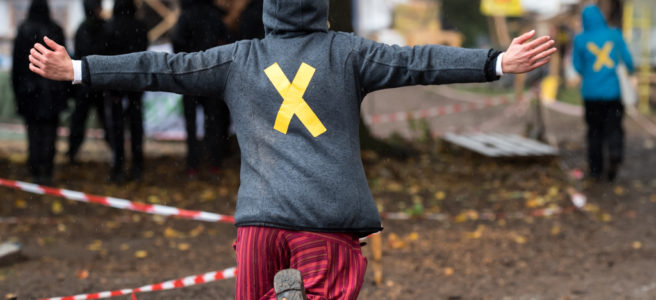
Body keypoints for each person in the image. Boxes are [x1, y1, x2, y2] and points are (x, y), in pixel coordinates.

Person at [27, 0, 556, 298]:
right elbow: (417, 61)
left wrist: (77, 68)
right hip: (328, 225)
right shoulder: (348, 52)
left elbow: (161, 67)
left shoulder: (238, 58)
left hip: (259, 226)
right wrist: (495, 62)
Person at [573, 4, 634, 181]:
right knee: (614, 129)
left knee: (594, 132)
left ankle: (595, 170)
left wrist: (591, 74)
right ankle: (615, 154)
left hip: (590, 95)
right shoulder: (614, 34)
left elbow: (577, 67)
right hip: (613, 94)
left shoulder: (580, 39)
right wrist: (629, 73)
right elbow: (628, 61)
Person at [172, 0, 232, 178]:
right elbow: (227, 40)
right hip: (210, 77)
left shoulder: (185, 17)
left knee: (191, 126)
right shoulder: (214, 16)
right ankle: (215, 164)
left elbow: (177, 43)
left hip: (189, 77)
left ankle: (192, 166)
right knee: (213, 123)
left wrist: (188, 59)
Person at [11, 0, 69, 185]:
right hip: (52, 90)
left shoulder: (24, 29)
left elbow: (17, 64)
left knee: (33, 132)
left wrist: (18, 90)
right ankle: (47, 169)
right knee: (50, 132)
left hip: (29, 91)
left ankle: (35, 169)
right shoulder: (55, 30)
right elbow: (64, 62)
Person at [103, 0, 149, 182]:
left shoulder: (109, 27)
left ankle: (118, 168)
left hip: (115, 83)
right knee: (136, 126)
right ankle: (137, 166)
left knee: (116, 128)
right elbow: (144, 52)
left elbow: (105, 54)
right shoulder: (140, 26)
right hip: (135, 82)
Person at [68, 0, 109, 164]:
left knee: (80, 120)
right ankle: (118, 158)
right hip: (98, 83)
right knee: (104, 121)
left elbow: (80, 55)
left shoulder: (83, 29)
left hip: (86, 82)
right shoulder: (102, 28)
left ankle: (72, 151)